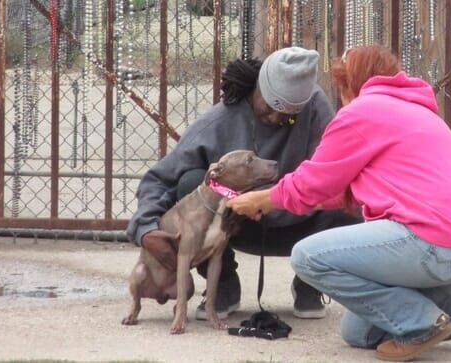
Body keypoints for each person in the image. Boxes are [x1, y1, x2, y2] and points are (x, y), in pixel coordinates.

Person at [227, 45, 451, 361]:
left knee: (308, 257)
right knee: (360, 333)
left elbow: (315, 181)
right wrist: (303, 200)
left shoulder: (362, 112)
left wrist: (266, 198)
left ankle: (419, 323)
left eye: (341, 86)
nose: (340, 96)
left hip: (429, 245)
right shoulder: (415, 110)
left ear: (351, 83)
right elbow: (340, 189)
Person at [127, 47, 359, 321]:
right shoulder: (222, 119)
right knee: (191, 182)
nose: (277, 119)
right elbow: (161, 177)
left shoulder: (316, 108)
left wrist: (272, 200)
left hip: (302, 223)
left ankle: (310, 283)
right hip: (238, 226)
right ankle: (223, 285)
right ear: (255, 90)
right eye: (269, 109)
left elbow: (334, 169)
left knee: (350, 196)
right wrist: (145, 228)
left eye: (289, 116)